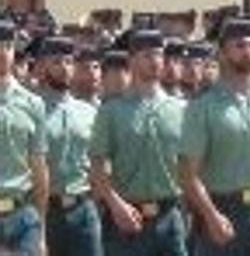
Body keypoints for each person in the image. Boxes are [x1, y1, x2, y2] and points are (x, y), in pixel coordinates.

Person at [179, 18, 250, 256]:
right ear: (222, 53)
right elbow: (188, 174)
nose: (247, 51)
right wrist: (210, 215)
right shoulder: (203, 106)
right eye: (239, 46)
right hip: (223, 210)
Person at [89, 29, 188, 256]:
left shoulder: (180, 110)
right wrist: (115, 205)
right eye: (147, 56)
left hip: (170, 217)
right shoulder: (111, 111)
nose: (155, 61)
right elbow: (96, 168)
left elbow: (191, 165)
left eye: (159, 55)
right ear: (132, 61)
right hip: (127, 219)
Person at [37, 36, 101, 256]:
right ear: (44, 66)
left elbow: (98, 161)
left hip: (84, 209)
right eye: (57, 62)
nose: (64, 68)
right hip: (48, 211)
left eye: (68, 62)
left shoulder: (89, 112)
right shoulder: (34, 109)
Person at [0, 17, 49, 255]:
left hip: (22, 216)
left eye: (8, 46)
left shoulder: (33, 103)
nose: (3, 53)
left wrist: (41, 230)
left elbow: (39, 168)